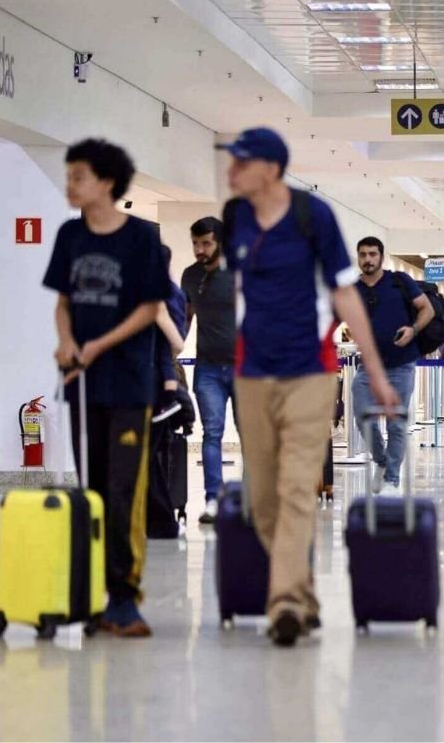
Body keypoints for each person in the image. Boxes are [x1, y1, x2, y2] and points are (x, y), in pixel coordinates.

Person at [219, 127, 398, 646]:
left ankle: (285, 606)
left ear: (270, 168)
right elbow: (242, 296)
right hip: (252, 372)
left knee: (298, 487)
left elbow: (344, 295)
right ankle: (304, 591)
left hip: (310, 372)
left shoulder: (311, 217)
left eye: (241, 162)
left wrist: (377, 371)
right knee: (262, 499)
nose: (231, 171)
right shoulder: (240, 220)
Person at [43, 138, 171, 637]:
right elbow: (63, 301)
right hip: (82, 384)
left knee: (123, 492)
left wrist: (98, 346)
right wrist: (67, 342)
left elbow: (150, 308)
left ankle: (125, 597)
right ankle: (92, 593)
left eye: (79, 176)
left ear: (106, 182)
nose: (70, 184)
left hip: (129, 383)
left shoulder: (140, 239)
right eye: (69, 175)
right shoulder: (69, 237)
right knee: (91, 489)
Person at [353, 237, 435, 496]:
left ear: (381, 256)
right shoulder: (353, 288)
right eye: (363, 254)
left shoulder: (400, 282)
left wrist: (413, 329)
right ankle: (382, 461)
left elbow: (427, 310)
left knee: (396, 423)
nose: (368, 259)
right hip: (368, 366)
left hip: (401, 364)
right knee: (363, 417)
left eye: (372, 254)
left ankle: (391, 480)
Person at [181, 217, 235, 522]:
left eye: (206, 243)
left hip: (243, 367)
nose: (200, 249)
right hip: (208, 368)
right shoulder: (190, 276)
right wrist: (175, 345)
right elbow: (186, 316)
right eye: (195, 243)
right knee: (211, 432)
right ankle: (213, 499)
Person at [152, 245, 186, 425]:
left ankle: (168, 400)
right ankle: (169, 399)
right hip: (173, 336)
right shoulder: (175, 290)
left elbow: (177, 343)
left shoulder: (158, 293)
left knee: (165, 359)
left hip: (165, 341)